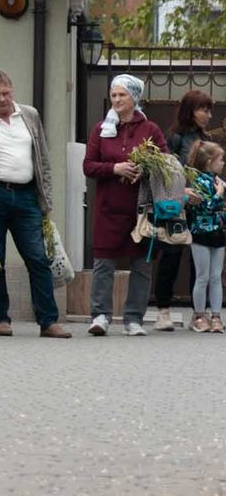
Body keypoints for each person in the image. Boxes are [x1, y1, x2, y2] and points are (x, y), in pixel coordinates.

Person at [0, 70, 69, 338]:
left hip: (27, 195)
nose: (2, 99)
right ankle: (0, 319)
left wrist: (46, 200)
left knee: (37, 258)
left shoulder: (29, 115)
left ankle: (48, 321)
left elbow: (42, 157)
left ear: (12, 90)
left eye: (6, 93)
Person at [84, 73, 169, 337]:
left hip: (141, 210)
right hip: (108, 208)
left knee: (142, 264)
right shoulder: (101, 129)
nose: (117, 99)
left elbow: (167, 164)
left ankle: (134, 319)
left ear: (134, 97)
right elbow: (88, 166)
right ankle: (100, 316)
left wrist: (146, 168)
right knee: (103, 264)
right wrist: (115, 168)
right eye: (114, 95)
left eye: (122, 95)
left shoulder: (150, 129)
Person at [154, 91, 214, 326]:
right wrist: (182, 192)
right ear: (190, 110)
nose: (208, 115)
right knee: (171, 255)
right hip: (177, 206)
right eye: (204, 109)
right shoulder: (175, 137)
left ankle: (198, 312)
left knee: (200, 261)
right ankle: (163, 310)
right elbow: (167, 171)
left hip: (201, 208)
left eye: (209, 110)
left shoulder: (206, 137)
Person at [187, 141, 226, 333]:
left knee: (216, 276)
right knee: (202, 276)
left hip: (218, 233)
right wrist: (219, 194)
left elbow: (220, 210)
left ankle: (217, 315)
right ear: (210, 160)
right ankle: (200, 314)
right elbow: (205, 206)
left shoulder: (218, 181)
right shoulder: (198, 181)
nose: (223, 163)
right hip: (201, 235)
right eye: (221, 159)